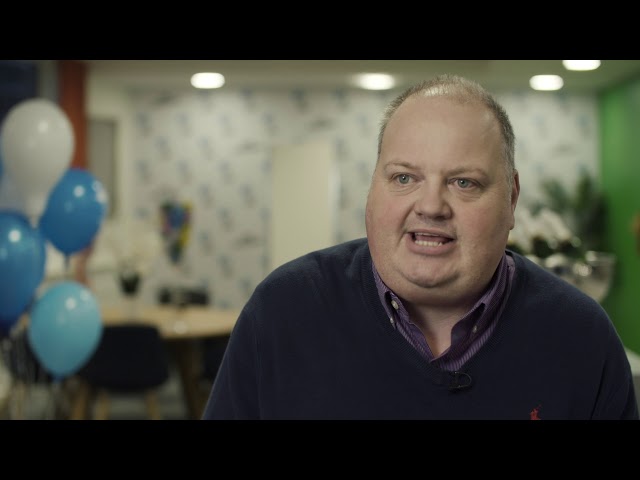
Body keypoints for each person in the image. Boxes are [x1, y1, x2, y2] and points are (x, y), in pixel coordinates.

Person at [201, 74, 639, 420]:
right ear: (373, 189)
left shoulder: (583, 337)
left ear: (511, 200)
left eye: (464, 182)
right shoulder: (282, 311)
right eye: (404, 178)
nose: (430, 206)